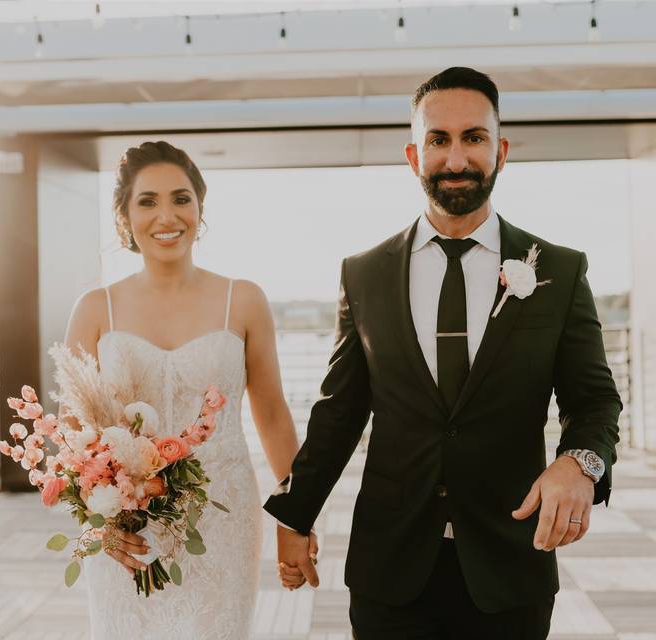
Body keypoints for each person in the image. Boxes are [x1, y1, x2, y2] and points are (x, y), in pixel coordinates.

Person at [265, 67, 622, 639]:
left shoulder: (557, 270)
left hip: (511, 565)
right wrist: (294, 513)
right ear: (414, 155)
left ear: (500, 150)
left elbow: (595, 400)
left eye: (474, 137)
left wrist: (579, 464)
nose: (456, 158)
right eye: (439, 140)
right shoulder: (364, 273)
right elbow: (339, 412)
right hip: (390, 571)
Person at [62, 141, 314, 639]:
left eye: (181, 198)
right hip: (124, 527)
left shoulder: (242, 300)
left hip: (222, 517)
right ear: (125, 216)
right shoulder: (95, 309)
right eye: (147, 201)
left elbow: (272, 415)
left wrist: (298, 519)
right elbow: (73, 438)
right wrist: (101, 515)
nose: (166, 215)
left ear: (200, 208)